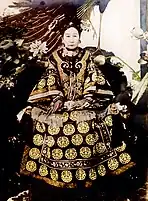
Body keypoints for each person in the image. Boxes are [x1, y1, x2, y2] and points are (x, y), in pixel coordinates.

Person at [14, 16, 135, 201]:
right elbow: (50, 80)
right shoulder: (54, 58)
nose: (71, 39)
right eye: (68, 36)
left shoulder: (87, 57)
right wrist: (59, 99)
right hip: (59, 104)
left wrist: (82, 101)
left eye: (74, 36)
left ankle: (87, 177)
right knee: (52, 126)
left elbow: (93, 79)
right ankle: (56, 179)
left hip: (83, 104)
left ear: (79, 39)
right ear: (62, 38)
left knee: (87, 126)